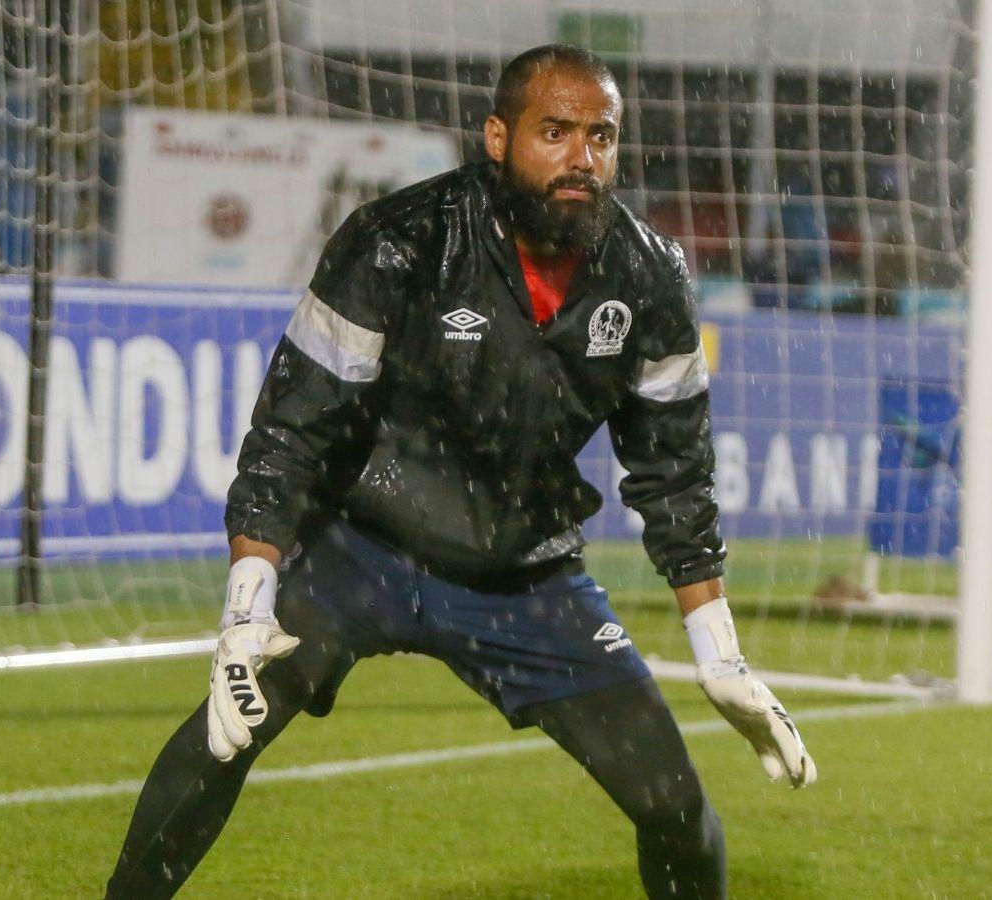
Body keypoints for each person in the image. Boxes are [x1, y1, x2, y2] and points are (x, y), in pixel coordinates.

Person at [105, 44, 815, 900]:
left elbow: (673, 471)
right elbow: (294, 429)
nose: (581, 158)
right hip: (359, 550)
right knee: (221, 738)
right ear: (496, 136)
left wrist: (720, 653)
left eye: (601, 136)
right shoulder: (397, 239)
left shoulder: (649, 273)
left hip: (522, 574)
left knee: (674, 804)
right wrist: (245, 601)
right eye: (554, 132)